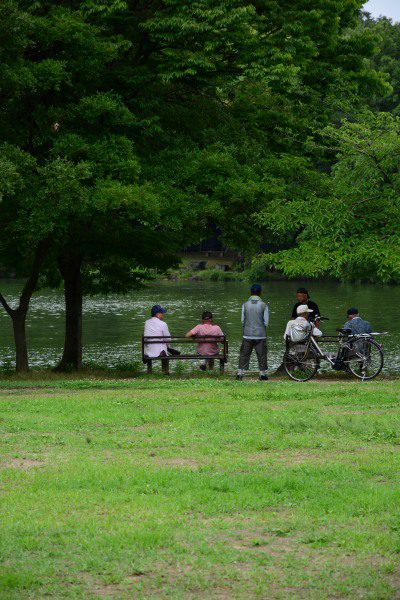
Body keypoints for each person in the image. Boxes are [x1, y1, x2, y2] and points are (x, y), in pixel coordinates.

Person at [236, 284, 269, 381]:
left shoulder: (245, 304)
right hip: (260, 334)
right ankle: (262, 374)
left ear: (250, 292)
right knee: (262, 354)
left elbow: (242, 320)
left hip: (247, 334)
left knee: (244, 354)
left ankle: (240, 373)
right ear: (260, 293)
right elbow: (266, 322)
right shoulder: (264, 305)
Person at [143, 304, 171, 374]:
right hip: (160, 352)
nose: (163, 314)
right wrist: (168, 346)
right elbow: (168, 339)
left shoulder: (147, 323)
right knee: (165, 353)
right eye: (162, 313)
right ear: (158, 314)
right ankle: (165, 372)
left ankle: (149, 372)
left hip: (148, 351)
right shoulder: (163, 324)